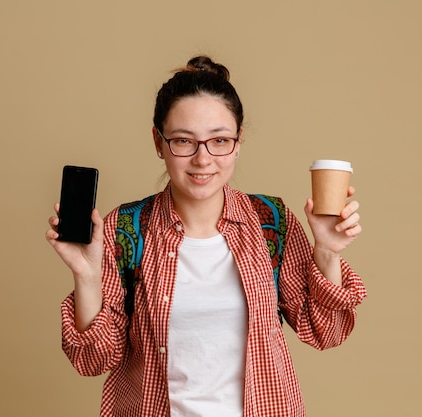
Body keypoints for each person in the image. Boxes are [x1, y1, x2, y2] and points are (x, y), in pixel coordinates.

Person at [46, 55, 367, 417]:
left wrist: (326, 250)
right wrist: (87, 277)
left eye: (219, 140)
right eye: (184, 141)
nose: (203, 159)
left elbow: (328, 332)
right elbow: (93, 359)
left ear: (239, 140)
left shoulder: (270, 221)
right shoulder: (128, 228)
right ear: (158, 141)